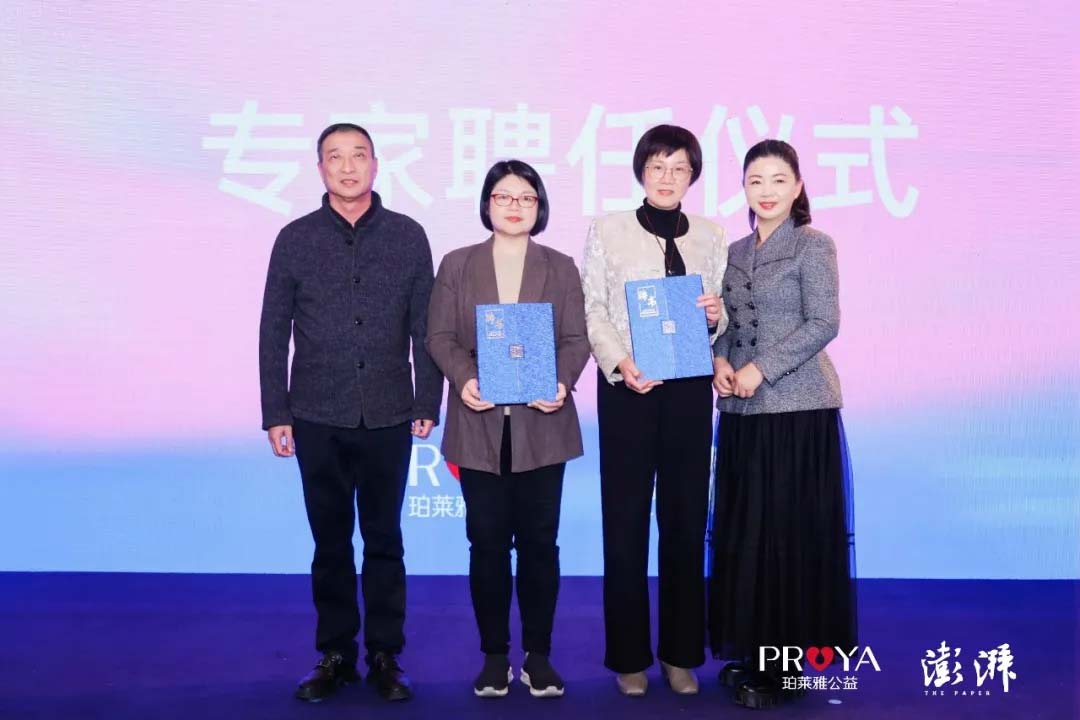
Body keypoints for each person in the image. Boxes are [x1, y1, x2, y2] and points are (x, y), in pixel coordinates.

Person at [258, 122, 443, 703]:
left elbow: (425, 326)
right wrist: (276, 411)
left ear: (375, 164)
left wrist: (427, 400)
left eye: (357, 155)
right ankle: (335, 654)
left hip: (388, 410)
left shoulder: (408, 236)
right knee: (330, 541)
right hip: (316, 412)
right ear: (320, 169)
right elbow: (273, 331)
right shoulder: (295, 238)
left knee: (385, 539)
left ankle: (386, 654)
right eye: (334, 157)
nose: (347, 167)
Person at [426, 160, 590, 699]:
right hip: (480, 425)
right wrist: (464, 378)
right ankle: (494, 657)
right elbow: (440, 336)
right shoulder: (458, 264)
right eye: (503, 196)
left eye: (526, 197)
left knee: (541, 544)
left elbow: (575, 338)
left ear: (540, 207)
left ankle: (538, 657)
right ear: (487, 204)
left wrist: (561, 381)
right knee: (487, 545)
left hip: (543, 425)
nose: (515, 206)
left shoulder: (560, 266)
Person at [708, 139, 857, 710]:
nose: (766, 191)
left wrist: (760, 369)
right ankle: (754, 650)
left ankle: (788, 664)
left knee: (789, 537)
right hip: (742, 413)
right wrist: (721, 362)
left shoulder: (814, 245)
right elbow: (726, 325)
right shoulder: (733, 251)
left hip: (798, 411)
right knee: (748, 533)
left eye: (777, 180)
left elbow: (824, 322)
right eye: (755, 181)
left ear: (797, 187)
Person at [580, 125, 728, 697]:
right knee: (624, 525)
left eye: (679, 168)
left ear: (692, 176)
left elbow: (720, 315)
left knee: (685, 523)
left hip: (689, 392)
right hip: (629, 390)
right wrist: (620, 362)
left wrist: (715, 317)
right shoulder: (608, 230)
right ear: (642, 171)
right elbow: (593, 307)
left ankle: (681, 654)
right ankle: (628, 657)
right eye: (658, 166)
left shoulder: (712, 235)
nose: (668, 177)